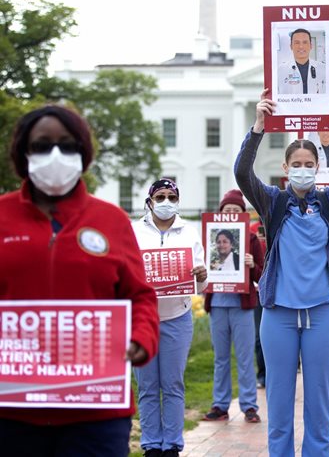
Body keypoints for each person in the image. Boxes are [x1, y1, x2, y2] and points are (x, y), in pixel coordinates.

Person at [0, 105, 159, 457]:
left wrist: (140, 339)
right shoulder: (2, 216)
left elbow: (140, 297)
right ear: (24, 153)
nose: (55, 155)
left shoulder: (111, 220)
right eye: (42, 146)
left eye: (67, 145)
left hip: (96, 414)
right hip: (12, 414)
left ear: (82, 153)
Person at [234, 89, 329, 456]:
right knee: (279, 400)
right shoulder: (273, 202)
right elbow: (241, 173)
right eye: (295, 163)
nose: (302, 169)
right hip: (279, 314)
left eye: (308, 163)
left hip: (323, 312)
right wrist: (258, 129)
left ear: (317, 167)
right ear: (285, 168)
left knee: (318, 397)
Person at [132, 178, 208, 457]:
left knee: (173, 383)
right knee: (147, 384)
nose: (166, 202)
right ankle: (152, 443)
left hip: (178, 316)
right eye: (161, 196)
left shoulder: (189, 231)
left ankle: (172, 444)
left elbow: (200, 284)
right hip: (143, 319)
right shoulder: (133, 232)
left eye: (172, 197)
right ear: (149, 200)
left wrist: (202, 276)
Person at [203, 189, 264, 423]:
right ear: (220, 213)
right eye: (226, 210)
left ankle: (249, 405)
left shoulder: (251, 240)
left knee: (245, 356)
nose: (230, 213)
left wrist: (251, 265)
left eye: (235, 210)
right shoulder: (211, 238)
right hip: (218, 304)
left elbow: (262, 274)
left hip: (242, 306)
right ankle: (220, 404)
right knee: (220, 358)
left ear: (243, 213)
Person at [277, 28, 327, 94]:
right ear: (291, 46)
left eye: (305, 42)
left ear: (311, 46)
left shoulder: (324, 69)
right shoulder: (280, 70)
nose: (301, 46)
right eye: (297, 43)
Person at [249, 220, 267, 388]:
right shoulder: (251, 230)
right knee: (259, 337)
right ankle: (262, 374)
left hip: (277, 289)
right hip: (257, 290)